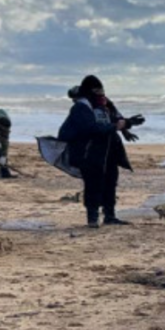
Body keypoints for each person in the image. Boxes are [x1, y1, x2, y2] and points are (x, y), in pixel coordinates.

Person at [57, 75, 145, 228]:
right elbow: (90, 129)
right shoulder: (81, 107)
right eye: (97, 90)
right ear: (88, 91)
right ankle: (92, 218)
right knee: (93, 184)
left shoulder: (105, 104)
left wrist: (127, 125)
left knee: (110, 182)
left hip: (109, 151)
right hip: (89, 153)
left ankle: (110, 215)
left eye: (102, 89)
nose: (101, 93)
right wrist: (116, 126)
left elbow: (115, 119)